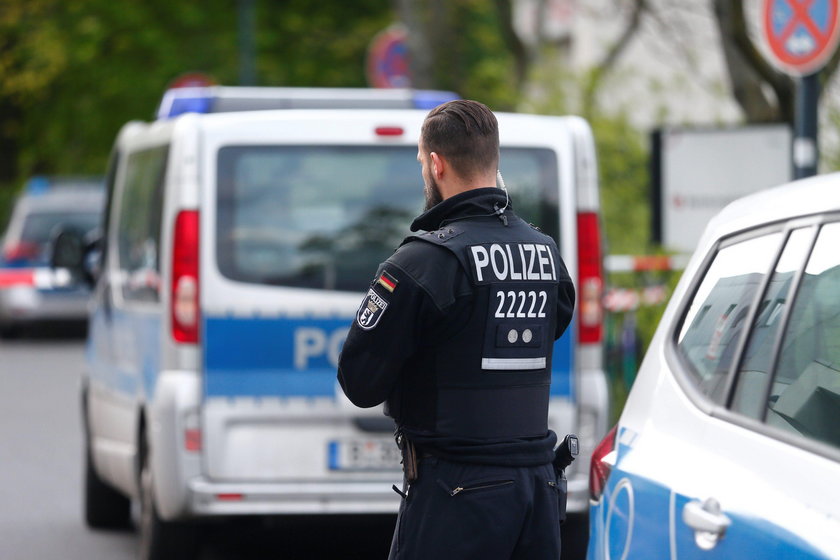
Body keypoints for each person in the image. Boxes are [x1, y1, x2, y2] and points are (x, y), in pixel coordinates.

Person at [337, 99, 576, 559]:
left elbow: (360, 382)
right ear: (494, 161)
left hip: (457, 493)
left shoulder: (421, 262)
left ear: (435, 164)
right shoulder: (546, 254)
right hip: (538, 491)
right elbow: (548, 328)